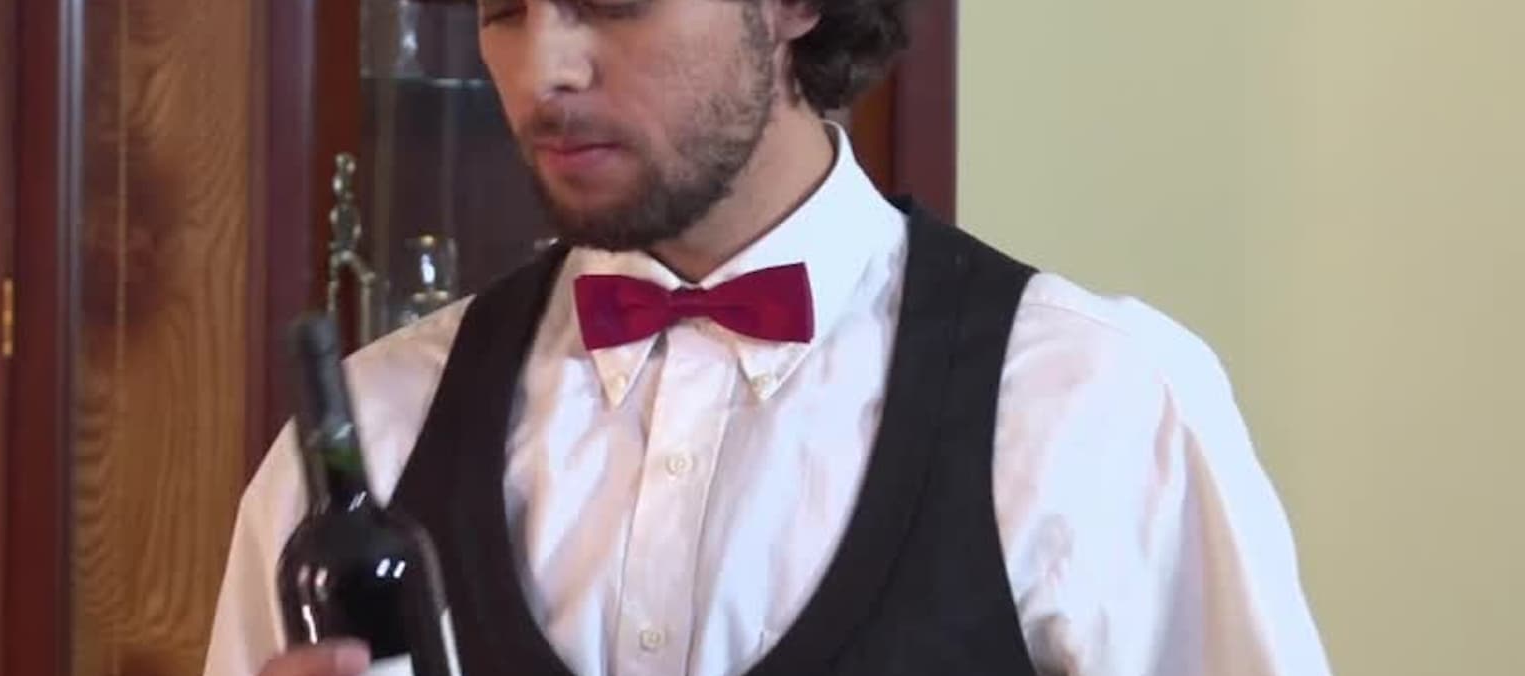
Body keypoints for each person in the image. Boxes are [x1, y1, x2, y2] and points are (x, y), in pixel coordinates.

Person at [205, 0, 1333, 674]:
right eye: (504, 7)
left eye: (613, 0)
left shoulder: (1096, 405)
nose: (545, 71)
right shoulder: (374, 433)